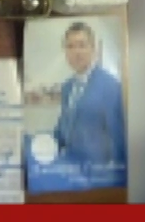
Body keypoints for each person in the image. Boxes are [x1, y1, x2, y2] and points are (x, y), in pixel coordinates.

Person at [53, 21, 127, 166]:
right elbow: (63, 127)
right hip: (70, 169)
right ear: (65, 52)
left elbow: (119, 139)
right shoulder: (67, 87)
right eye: (70, 46)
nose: (76, 52)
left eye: (82, 45)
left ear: (93, 49)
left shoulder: (111, 86)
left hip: (98, 173)